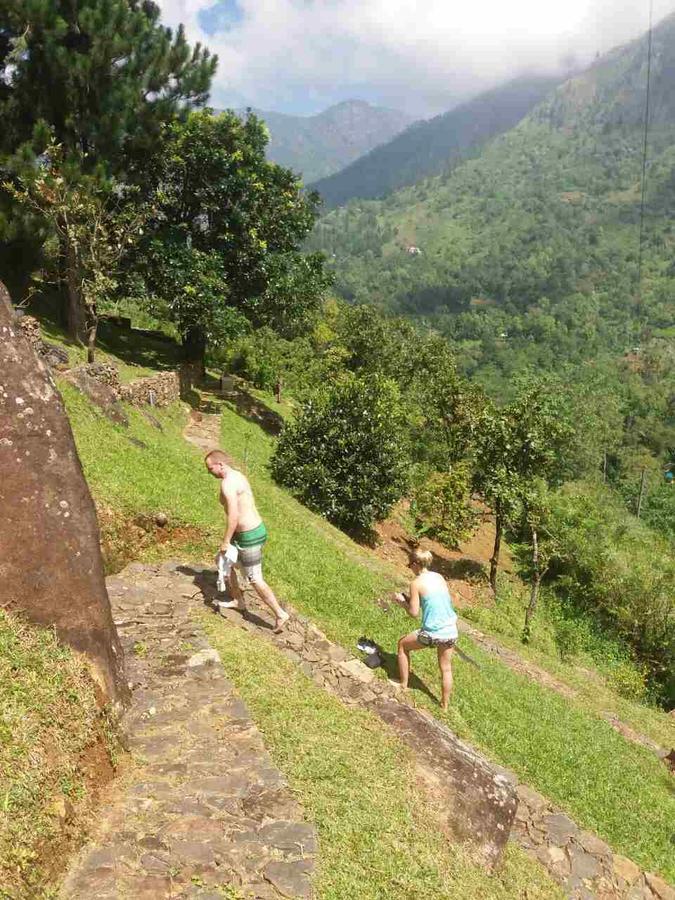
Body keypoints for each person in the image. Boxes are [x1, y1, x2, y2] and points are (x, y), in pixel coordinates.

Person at [205, 449, 289, 632]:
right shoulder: (238, 475)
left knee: (255, 578)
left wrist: (226, 541)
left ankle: (280, 614)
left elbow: (234, 515)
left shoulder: (228, 483)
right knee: (222, 561)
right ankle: (238, 600)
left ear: (220, 464)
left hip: (250, 536)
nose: (208, 472)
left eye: (210, 468)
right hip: (244, 533)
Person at [394, 548, 458, 711]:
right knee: (446, 668)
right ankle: (444, 705)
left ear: (416, 564)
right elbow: (436, 601)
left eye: (410, 565)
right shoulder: (439, 577)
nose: (410, 568)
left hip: (432, 632)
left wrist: (402, 602)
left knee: (402, 645)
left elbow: (414, 613)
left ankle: (403, 685)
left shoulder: (416, 583)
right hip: (450, 630)